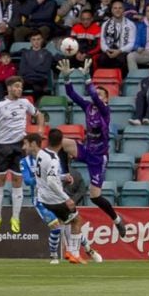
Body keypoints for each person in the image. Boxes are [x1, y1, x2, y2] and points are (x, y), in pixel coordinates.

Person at [57, 58, 127, 238]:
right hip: (88, 151)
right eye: (98, 94)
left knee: (95, 196)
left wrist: (88, 78)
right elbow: (72, 95)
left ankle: (116, 220)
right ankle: (65, 173)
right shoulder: (89, 107)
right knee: (62, 142)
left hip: (99, 158)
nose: (98, 96)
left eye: (102, 95)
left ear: (106, 100)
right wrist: (66, 78)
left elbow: (94, 95)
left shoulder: (105, 111)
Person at [21, 132, 102, 264]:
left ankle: (85, 250)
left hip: (46, 197)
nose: (23, 147)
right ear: (61, 143)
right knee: (73, 221)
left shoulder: (41, 154)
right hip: (50, 198)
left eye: (25, 144)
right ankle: (68, 253)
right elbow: (46, 181)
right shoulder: (51, 158)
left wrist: (62, 177)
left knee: (67, 222)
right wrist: (65, 197)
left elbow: (47, 176)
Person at [0, 75, 45, 234]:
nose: (19, 89)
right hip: (2, 147)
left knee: (17, 181)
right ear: (9, 88)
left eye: (21, 87)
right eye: (16, 86)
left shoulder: (25, 103)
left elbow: (39, 115)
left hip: (19, 147)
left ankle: (15, 217)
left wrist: (40, 129)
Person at [98, 0, 135, 77]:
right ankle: (105, 82)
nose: (117, 10)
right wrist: (107, 50)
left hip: (123, 51)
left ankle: (122, 84)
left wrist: (119, 51)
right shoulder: (105, 24)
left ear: (123, 10)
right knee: (102, 58)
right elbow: (102, 42)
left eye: (120, 8)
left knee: (122, 59)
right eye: (115, 8)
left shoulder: (131, 24)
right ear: (111, 10)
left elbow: (132, 43)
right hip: (109, 51)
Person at [18, 29, 56, 101]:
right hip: (27, 79)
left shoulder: (47, 54)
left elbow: (45, 69)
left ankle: (35, 108)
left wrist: (30, 67)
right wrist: (37, 68)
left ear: (42, 40)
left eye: (38, 39)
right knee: (16, 86)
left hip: (40, 79)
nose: (36, 41)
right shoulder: (25, 53)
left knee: (38, 88)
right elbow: (22, 70)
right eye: (34, 39)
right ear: (31, 41)